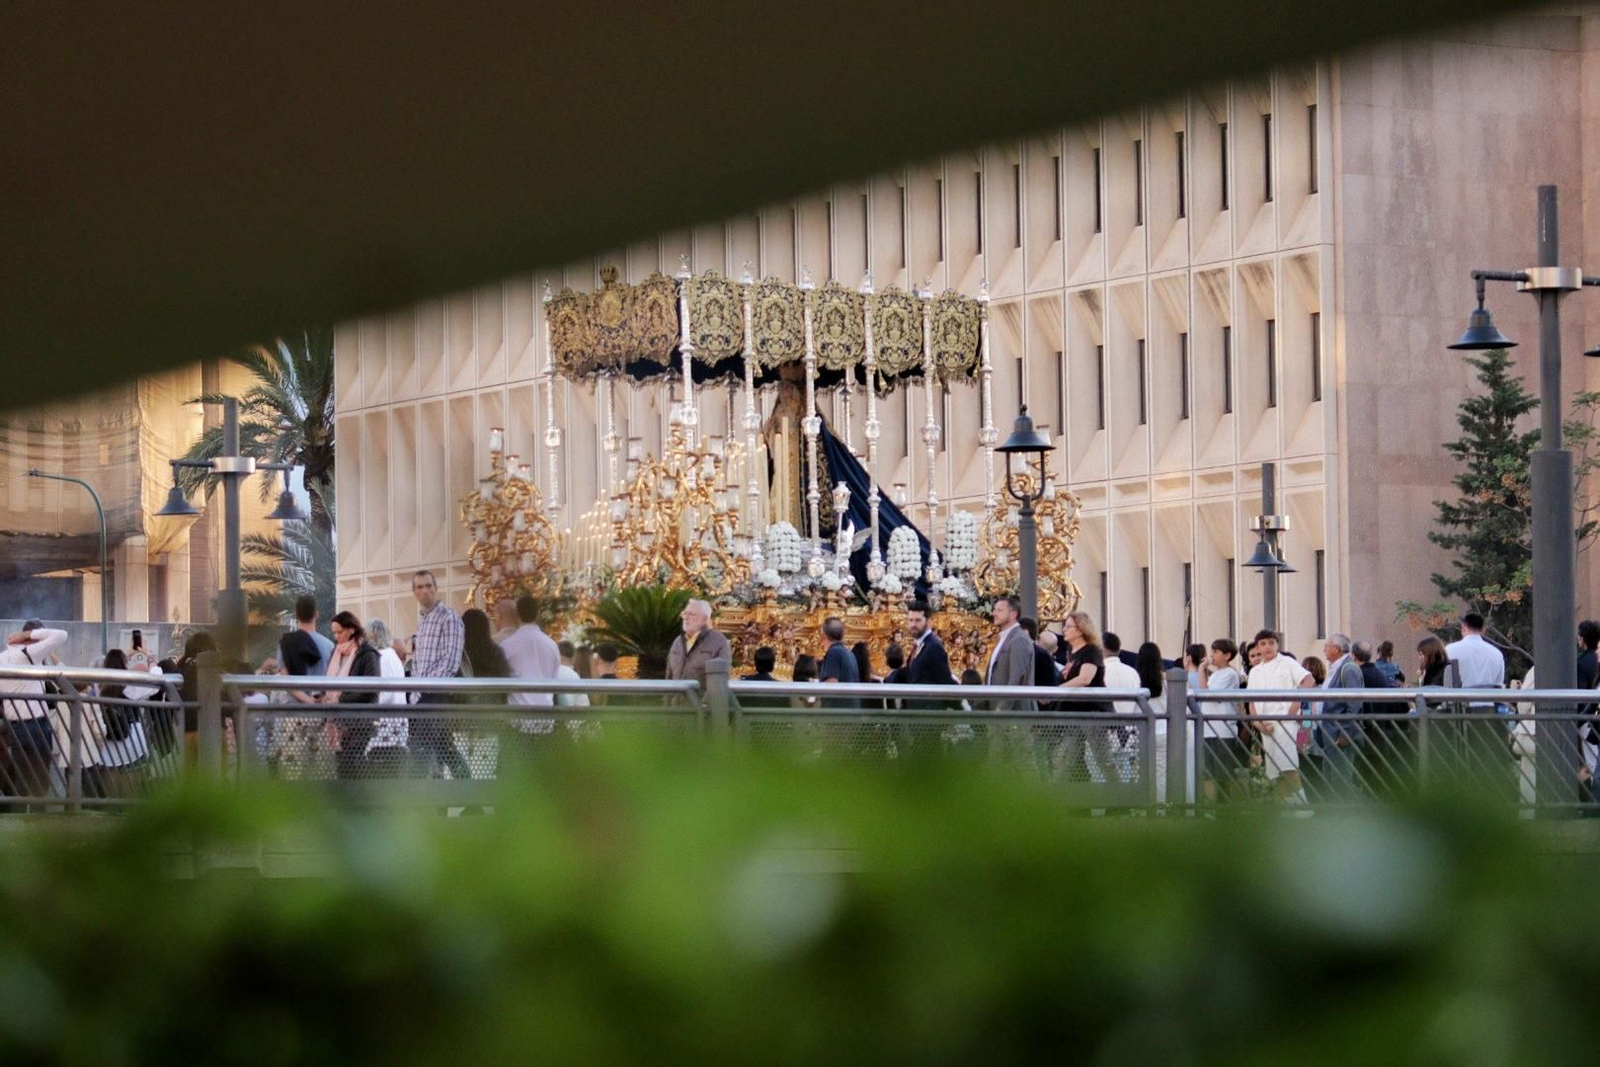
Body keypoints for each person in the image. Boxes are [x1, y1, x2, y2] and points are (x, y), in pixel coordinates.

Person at [406, 570, 473, 782]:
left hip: (437, 694)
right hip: (421, 695)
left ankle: (422, 800)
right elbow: (418, 661)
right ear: (414, 592)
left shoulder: (449, 618)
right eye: (419, 587)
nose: (424, 591)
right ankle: (468, 797)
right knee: (444, 747)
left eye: (428, 586)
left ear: (436, 588)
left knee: (423, 749)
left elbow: (451, 661)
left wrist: (427, 688)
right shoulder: (423, 621)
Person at [0, 622, 69, 806]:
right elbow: (61, 635)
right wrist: (31, 635)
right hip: (36, 726)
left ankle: (21, 824)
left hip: (14, 727)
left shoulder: (3, 658)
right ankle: (37, 824)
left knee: (21, 781)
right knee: (40, 783)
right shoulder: (28, 653)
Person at [1244, 629, 1314, 802]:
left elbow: (1308, 680)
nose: (1267, 646)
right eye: (1263, 643)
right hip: (1267, 726)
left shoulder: (1287, 662)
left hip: (1286, 722)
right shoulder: (1255, 671)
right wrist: (1258, 724)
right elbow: (1251, 702)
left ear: (1277, 644)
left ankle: (1303, 810)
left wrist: (1296, 702)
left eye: (1271, 642)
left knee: (1289, 768)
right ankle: (1287, 811)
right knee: (1276, 773)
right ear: (1258, 647)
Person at [320, 611, 382, 778]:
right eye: (334, 632)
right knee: (343, 767)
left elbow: (370, 689)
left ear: (351, 630)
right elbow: (329, 681)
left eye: (339, 632)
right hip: (339, 721)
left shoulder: (367, 654)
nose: (336, 636)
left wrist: (339, 700)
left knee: (354, 766)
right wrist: (323, 697)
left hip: (359, 722)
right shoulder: (337, 652)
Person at [1054, 610, 1107, 782]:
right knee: (1069, 758)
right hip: (1073, 713)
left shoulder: (1091, 651)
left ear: (1080, 629)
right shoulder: (1071, 652)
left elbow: (1085, 678)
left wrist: (1058, 690)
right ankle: (1076, 803)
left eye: (1068, 626)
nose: (1064, 630)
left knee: (1103, 759)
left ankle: (1120, 801)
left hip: (1091, 712)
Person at [1314, 633, 1366, 801]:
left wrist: (1346, 733)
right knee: (1331, 778)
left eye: (1327, 646)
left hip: (1339, 733)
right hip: (1329, 732)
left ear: (1336, 649)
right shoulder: (1336, 668)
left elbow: (1354, 704)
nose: (1324, 649)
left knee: (1340, 780)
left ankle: (1348, 818)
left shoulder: (1348, 669)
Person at [1198, 638, 1244, 802]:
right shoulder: (1216, 674)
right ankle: (1211, 808)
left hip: (1223, 730)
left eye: (1216, 652)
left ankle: (1238, 807)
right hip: (1209, 729)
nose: (1212, 656)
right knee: (1208, 774)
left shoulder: (1230, 674)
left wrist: (1201, 670)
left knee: (1226, 774)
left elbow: (1209, 694)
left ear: (1227, 655)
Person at [363, 619, 410, 776]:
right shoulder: (393, 655)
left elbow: (383, 694)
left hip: (384, 726)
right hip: (398, 723)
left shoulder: (379, 657)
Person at [666, 599, 732, 692]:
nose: (686, 617)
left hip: (700, 704)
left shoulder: (718, 642)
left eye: (692, 614)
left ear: (705, 619)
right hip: (675, 705)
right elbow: (669, 676)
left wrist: (706, 704)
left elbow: (721, 679)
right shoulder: (678, 642)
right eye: (685, 613)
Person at [279, 595, 333, 706]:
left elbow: (286, 680)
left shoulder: (285, 643)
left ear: (296, 615)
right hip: (320, 708)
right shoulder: (330, 646)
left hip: (292, 711)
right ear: (316, 615)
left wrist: (307, 700)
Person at [985, 597, 1034, 712]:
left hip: (1012, 712)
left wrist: (1002, 708)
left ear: (1013, 614)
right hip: (996, 706)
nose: (994, 613)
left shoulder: (1019, 639)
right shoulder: (1003, 637)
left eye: (999, 610)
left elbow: (1016, 678)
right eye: (994, 610)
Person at [905, 601, 955, 689]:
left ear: (928, 622)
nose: (913, 624)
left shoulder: (933, 647)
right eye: (910, 620)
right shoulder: (919, 645)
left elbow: (945, 681)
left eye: (918, 620)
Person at [817, 617, 861, 709]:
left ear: (824, 636)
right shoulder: (850, 653)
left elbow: (831, 683)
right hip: (851, 708)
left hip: (837, 712)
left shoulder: (834, 652)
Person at [555, 640, 590, 708]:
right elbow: (583, 705)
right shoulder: (575, 676)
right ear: (573, 658)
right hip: (569, 716)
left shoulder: (549, 672)